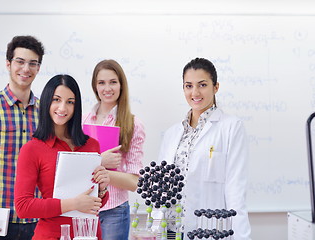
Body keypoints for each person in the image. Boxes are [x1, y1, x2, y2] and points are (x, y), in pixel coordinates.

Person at [158, 58, 251, 240]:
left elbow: (236, 190)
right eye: (188, 86)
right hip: (171, 229)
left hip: (206, 229)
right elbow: (162, 187)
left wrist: (242, 237)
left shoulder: (231, 127)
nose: (195, 92)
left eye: (202, 85)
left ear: (215, 87)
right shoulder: (172, 134)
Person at [14, 74, 110, 240]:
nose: (63, 108)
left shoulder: (92, 145)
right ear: (46, 102)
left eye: (70, 102)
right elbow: (23, 207)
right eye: (56, 99)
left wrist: (102, 189)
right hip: (52, 235)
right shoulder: (32, 149)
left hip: (90, 234)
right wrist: (73, 204)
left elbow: (95, 203)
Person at [0, 35, 45, 239]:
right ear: (8, 64)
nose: (26, 69)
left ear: (38, 68)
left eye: (32, 63)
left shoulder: (46, 112)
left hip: (35, 219)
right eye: (20, 62)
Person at [82, 59, 145, 240]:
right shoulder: (83, 121)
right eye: (101, 83)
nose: (107, 88)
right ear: (95, 86)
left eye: (113, 82)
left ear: (121, 85)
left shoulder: (133, 124)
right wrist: (100, 161)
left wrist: (105, 174)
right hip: (85, 206)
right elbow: (73, 165)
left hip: (114, 211)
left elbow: (134, 182)